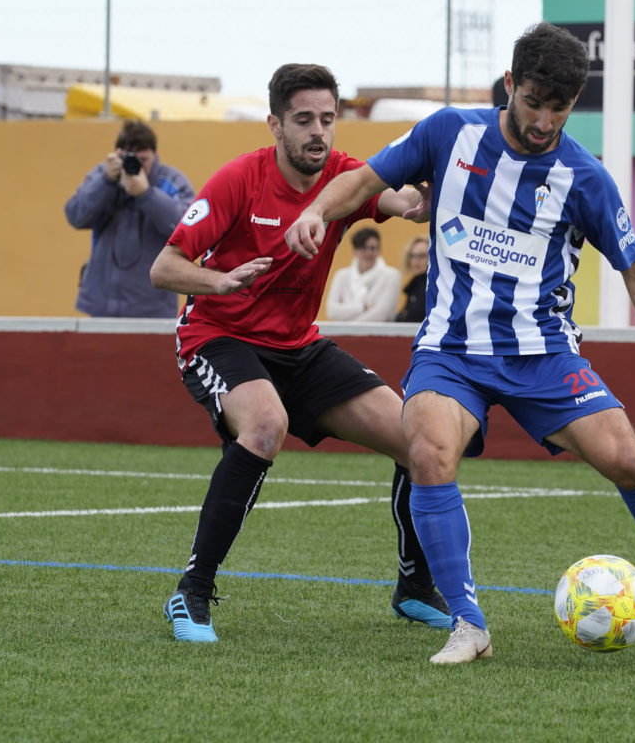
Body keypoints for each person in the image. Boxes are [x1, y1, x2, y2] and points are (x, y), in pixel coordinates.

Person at [285, 23, 635, 665]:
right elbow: (365, 177)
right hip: (452, 351)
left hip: (544, 352)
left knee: (627, 461)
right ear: (511, 84)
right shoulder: (448, 133)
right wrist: (316, 212)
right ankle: (468, 624)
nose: (545, 119)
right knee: (428, 451)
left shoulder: (584, 177)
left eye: (561, 106)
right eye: (534, 100)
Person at [148, 63, 448, 642]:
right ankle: (192, 592)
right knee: (265, 426)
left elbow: (398, 201)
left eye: (328, 119)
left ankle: (414, 588)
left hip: (298, 347)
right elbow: (165, 268)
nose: (318, 131)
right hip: (218, 335)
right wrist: (222, 281)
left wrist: (423, 199)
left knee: (420, 436)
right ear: (275, 126)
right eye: (304, 119)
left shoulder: (345, 178)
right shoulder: (239, 180)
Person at [65, 120, 195, 318]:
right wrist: (106, 182)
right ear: (118, 154)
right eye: (129, 158)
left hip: (152, 310)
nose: (137, 166)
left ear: (155, 153)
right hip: (102, 307)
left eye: (143, 160)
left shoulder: (172, 182)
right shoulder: (104, 176)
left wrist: (147, 195)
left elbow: (189, 230)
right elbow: (75, 215)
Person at [325, 227, 401, 321]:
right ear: (354, 251)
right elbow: (332, 312)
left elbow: (381, 314)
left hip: (377, 335)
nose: (368, 253)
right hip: (342, 334)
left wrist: (347, 327)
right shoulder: (341, 276)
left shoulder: (392, 276)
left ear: (379, 250)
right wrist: (363, 307)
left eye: (373, 248)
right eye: (363, 248)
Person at [394, 236, 429, 323]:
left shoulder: (432, 286)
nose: (416, 261)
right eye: (412, 256)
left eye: (422, 256)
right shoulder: (414, 285)